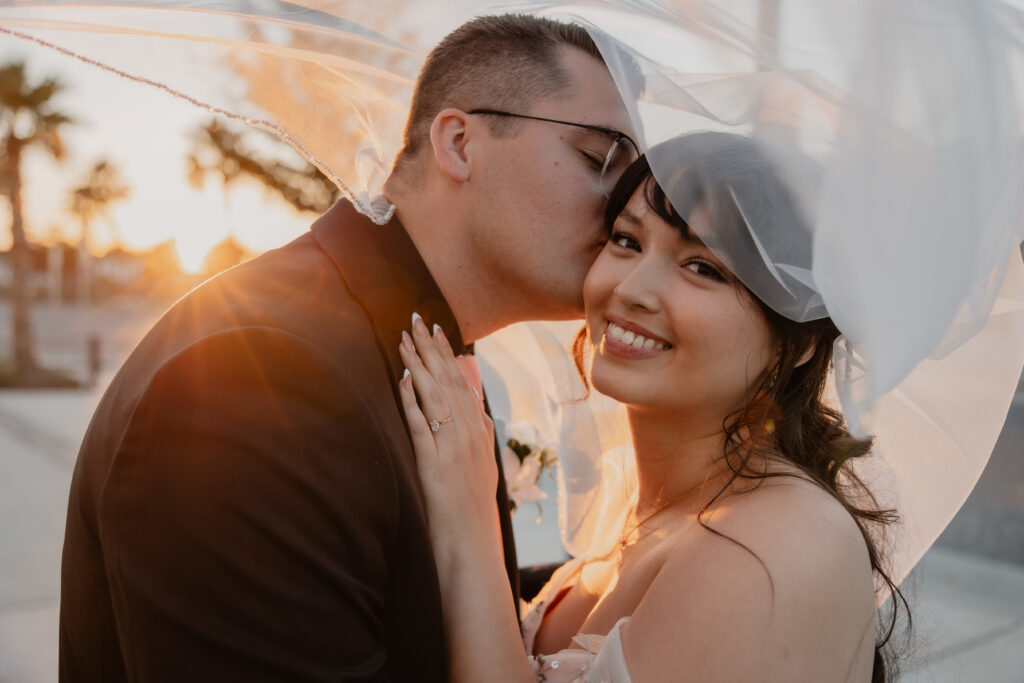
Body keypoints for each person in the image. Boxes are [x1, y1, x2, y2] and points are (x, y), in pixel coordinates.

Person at [58, 14, 638, 683]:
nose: (622, 211)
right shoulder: (259, 377)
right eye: (600, 160)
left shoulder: (412, 347)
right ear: (459, 143)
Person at [399, 133, 904, 682]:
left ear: (799, 341)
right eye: (625, 240)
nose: (632, 288)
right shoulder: (647, 515)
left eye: (703, 267)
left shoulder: (776, 545)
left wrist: (470, 521)